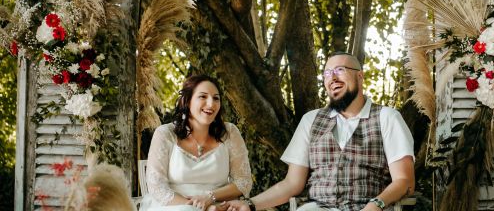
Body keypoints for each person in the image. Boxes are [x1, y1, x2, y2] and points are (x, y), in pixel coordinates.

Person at [228, 53, 415, 211]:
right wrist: (250, 204)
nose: (332, 78)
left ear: (360, 76)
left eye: (340, 70)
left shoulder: (387, 118)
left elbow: (405, 181)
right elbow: (292, 183)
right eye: (327, 74)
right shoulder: (311, 120)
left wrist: (375, 205)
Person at [140, 75, 252, 211]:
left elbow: (243, 182)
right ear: (187, 101)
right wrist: (203, 208)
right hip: (174, 206)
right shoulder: (165, 133)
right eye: (203, 96)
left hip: (219, 206)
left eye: (216, 98)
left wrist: (211, 197)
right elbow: (157, 187)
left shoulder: (230, 133)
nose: (211, 104)